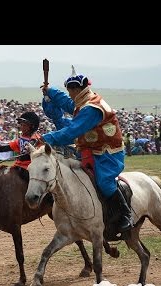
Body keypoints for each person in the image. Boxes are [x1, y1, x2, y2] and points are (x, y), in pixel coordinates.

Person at [40, 65, 132, 233]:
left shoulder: (91, 108)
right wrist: (50, 91)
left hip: (108, 152)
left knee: (105, 183)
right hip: (90, 147)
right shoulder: (83, 100)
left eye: (70, 91)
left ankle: (125, 214)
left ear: (77, 89)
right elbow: (66, 102)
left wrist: (46, 138)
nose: (69, 94)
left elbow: (72, 131)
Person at [0, 111, 42, 182]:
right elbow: (8, 146)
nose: (21, 127)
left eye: (24, 125)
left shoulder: (35, 138)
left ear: (32, 127)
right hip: (18, 166)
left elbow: (27, 154)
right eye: (21, 125)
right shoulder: (22, 138)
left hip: (29, 169)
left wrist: (22, 155)